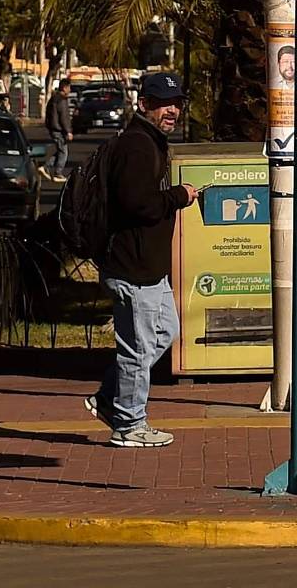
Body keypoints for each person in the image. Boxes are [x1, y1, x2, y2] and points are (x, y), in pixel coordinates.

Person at [89, 71, 198, 449]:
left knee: (164, 334)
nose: (172, 110)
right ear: (144, 105)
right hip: (132, 268)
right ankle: (129, 424)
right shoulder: (137, 145)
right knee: (137, 351)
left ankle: (108, 399)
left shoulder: (151, 142)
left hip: (149, 269)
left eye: (177, 103)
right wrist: (178, 196)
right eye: (163, 103)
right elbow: (137, 203)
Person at [43, 76, 74, 181]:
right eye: (69, 87)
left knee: (60, 150)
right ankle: (58, 173)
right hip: (58, 130)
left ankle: (45, 167)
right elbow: (64, 117)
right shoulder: (61, 100)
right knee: (64, 152)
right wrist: (68, 131)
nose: (70, 90)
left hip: (53, 128)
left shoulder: (54, 99)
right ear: (64, 88)